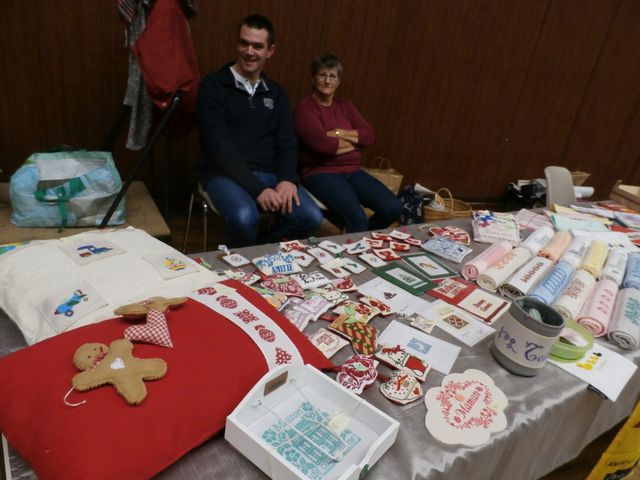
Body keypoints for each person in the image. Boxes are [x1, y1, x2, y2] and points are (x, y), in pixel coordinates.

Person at [197, 14, 323, 247]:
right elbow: (219, 146)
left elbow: (287, 143)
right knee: (245, 218)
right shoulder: (213, 86)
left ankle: (260, 248)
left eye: (257, 46)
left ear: (270, 51)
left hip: (270, 174)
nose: (249, 51)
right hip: (223, 174)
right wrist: (258, 190)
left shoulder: (277, 94)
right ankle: (243, 260)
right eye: (244, 43)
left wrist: (287, 179)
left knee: (311, 217)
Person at [294, 54, 403, 233]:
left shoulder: (345, 106)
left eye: (332, 76)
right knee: (357, 217)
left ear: (338, 82)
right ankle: (355, 244)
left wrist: (339, 133)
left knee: (393, 208)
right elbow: (323, 145)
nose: (327, 81)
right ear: (313, 79)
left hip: (352, 171)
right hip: (320, 173)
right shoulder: (305, 108)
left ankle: (359, 240)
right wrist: (354, 141)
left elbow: (368, 136)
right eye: (322, 75)